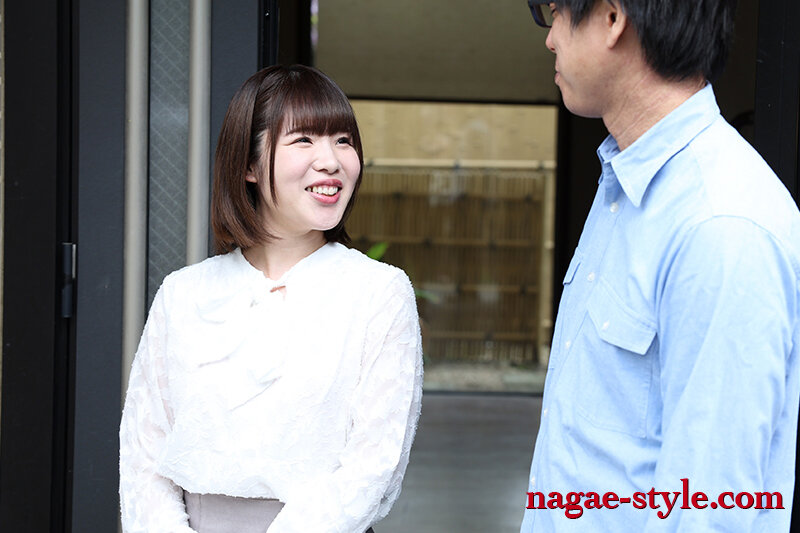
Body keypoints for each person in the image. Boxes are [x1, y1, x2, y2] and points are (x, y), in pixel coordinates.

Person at [521, 0, 800, 531]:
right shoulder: (625, 183)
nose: (550, 38)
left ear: (611, 18)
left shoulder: (720, 222)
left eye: (553, 12)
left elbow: (711, 508)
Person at [119, 64, 423, 533]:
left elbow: (373, 463)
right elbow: (144, 453)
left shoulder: (378, 292)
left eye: (344, 140)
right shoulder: (184, 293)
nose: (331, 161)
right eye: (304, 140)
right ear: (248, 164)